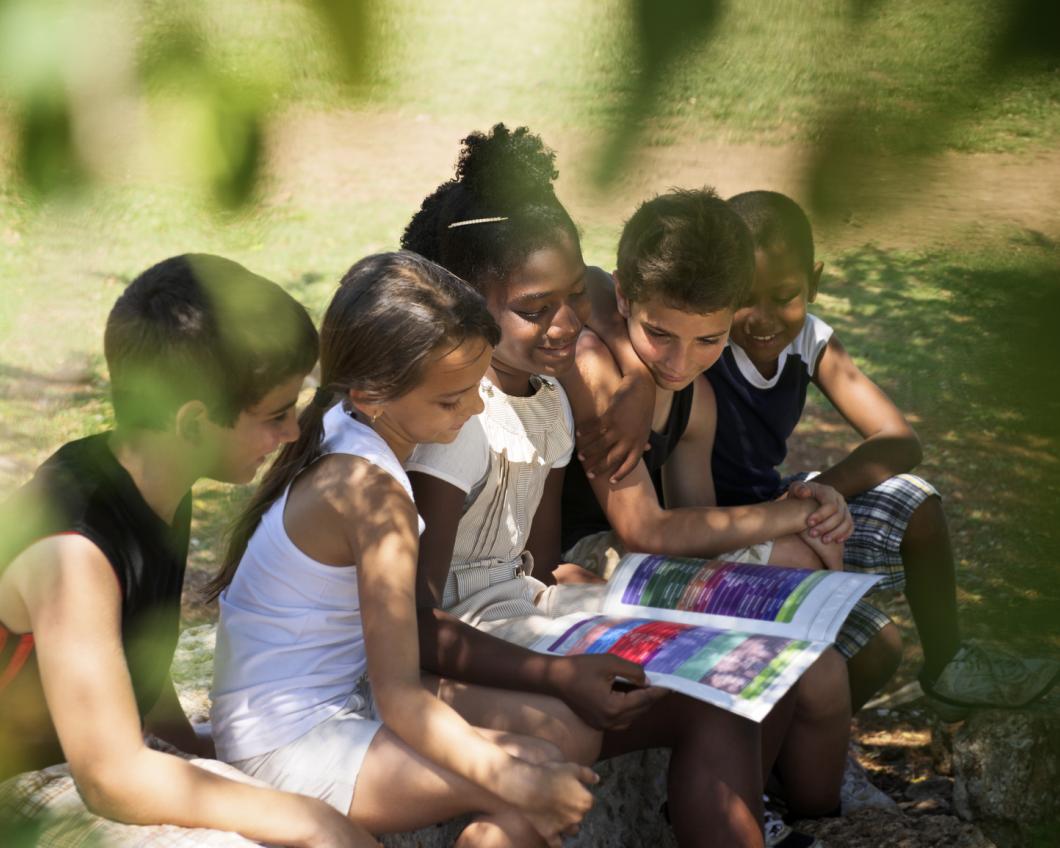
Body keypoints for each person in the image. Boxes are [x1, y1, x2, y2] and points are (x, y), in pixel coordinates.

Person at [402, 124, 851, 848]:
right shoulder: (453, 423)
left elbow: (533, 565)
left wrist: (573, 587)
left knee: (731, 685)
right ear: (464, 299)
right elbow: (419, 620)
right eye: (538, 309)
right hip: (478, 646)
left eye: (574, 299)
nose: (571, 327)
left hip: (530, 614)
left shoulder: (548, 400)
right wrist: (558, 672)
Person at [207, 251, 598, 848]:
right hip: (290, 743)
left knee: (547, 751)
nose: (473, 411)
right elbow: (400, 700)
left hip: (300, 710)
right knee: (533, 773)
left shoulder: (340, 421)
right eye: (451, 400)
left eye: (475, 388)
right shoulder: (374, 500)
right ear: (373, 392)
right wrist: (523, 785)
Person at [0, 254, 376, 847]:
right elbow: (112, 778)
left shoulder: (151, 483)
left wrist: (195, 747)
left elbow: (127, 654)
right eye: (275, 414)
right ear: (194, 422)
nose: (291, 433)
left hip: (87, 757)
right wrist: (308, 820)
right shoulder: (73, 550)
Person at [708, 190, 1059, 718]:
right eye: (743, 296)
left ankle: (948, 667)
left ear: (815, 282)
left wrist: (814, 492)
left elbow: (898, 439)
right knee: (876, 646)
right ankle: (795, 758)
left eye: (784, 295)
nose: (762, 318)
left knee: (918, 507)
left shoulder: (810, 340)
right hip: (715, 525)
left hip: (779, 501)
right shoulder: (703, 342)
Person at [559, 189, 903, 717]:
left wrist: (807, 514)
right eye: (659, 335)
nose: (679, 361)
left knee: (820, 635)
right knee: (793, 573)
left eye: (708, 340)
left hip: (642, 559)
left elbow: (699, 524)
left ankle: (787, 784)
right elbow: (646, 532)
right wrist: (792, 514)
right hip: (575, 562)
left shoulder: (698, 401)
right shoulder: (599, 371)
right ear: (629, 302)